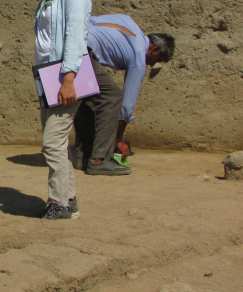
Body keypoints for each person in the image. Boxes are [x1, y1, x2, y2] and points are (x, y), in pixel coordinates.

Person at [25, 0, 92, 220]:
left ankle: (59, 203)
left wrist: (69, 79)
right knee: (59, 143)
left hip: (65, 76)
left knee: (52, 143)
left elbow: (75, 35)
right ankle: (69, 200)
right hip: (49, 76)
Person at [72, 15, 176, 175]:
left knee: (86, 95)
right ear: (154, 49)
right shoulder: (139, 57)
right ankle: (99, 160)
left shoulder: (128, 22)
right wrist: (118, 140)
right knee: (113, 98)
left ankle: (82, 156)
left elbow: (92, 21)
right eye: (157, 59)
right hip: (83, 51)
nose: (153, 64)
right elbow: (126, 107)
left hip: (69, 42)